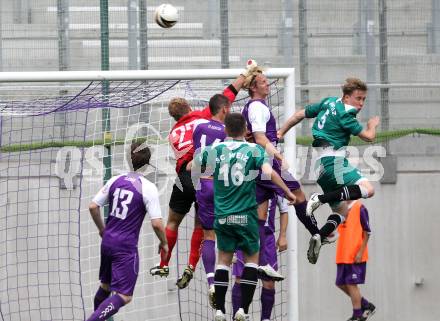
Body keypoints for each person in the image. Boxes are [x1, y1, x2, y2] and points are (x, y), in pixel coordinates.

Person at [150, 60, 260, 289]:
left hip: (183, 178)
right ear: (189, 109)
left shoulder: (172, 133)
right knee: (203, 227)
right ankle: (193, 265)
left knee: (172, 222)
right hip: (206, 177)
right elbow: (227, 96)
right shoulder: (201, 117)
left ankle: (163, 263)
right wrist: (245, 74)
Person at [194, 113, 296, 321]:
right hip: (247, 217)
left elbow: (192, 166)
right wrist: (287, 191)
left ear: (226, 130)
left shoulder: (215, 150)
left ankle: (220, 311)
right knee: (251, 261)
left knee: (223, 261)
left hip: (222, 217)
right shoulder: (254, 150)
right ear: (245, 130)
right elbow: (269, 172)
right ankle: (243, 311)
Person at [278, 77, 380, 264]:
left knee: (342, 212)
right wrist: (372, 125)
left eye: (364, 99)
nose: (361, 103)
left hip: (319, 167)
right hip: (334, 162)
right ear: (347, 97)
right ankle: (320, 199)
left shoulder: (328, 102)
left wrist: (281, 132)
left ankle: (319, 235)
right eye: (358, 98)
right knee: (369, 190)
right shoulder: (346, 115)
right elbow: (368, 137)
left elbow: (299, 115)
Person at [241, 72, 322, 275]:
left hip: (254, 164)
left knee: (260, 213)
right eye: (263, 83)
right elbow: (259, 138)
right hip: (266, 163)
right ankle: (317, 234)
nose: (268, 85)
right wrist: (277, 155)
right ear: (253, 87)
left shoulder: (250, 108)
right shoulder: (257, 107)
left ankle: (259, 263)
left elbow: (254, 135)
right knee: (299, 195)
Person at [86, 142, 168, 321]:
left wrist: (102, 230)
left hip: (107, 241)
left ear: (129, 159)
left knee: (106, 286)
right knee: (124, 295)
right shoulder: (147, 187)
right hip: (125, 246)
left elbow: (93, 206)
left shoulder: (116, 179)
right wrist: (164, 242)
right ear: (148, 162)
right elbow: (156, 224)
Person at [191, 93, 231, 308]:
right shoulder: (228, 132)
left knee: (208, 235)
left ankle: (211, 281)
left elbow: (197, 155)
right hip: (220, 184)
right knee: (231, 225)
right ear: (224, 109)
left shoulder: (198, 128)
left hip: (201, 183)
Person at [232, 195, 288, 321]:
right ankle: (238, 315)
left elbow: (284, 210)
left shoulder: (276, 182)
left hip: (267, 239)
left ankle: (265, 318)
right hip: (246, 234)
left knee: (269, 282)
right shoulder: (246, 179)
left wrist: (283, 235)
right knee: (241, 278)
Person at [335, 200, 376, 321]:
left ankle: (357, 315)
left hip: (355, 254)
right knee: (341, 284)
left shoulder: (360, 207)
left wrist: (361, 252)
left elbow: (367, 232)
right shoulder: (340, 207)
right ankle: (366, 305)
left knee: (351, 284)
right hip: (342, 253)